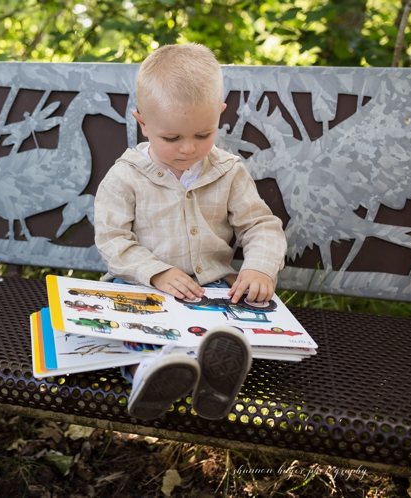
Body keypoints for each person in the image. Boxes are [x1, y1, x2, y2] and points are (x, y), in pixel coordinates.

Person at [93, 42, 287, 422]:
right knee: (133, 332)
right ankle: (149, 374)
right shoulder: (125, 177)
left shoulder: (228, 171)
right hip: (142, 286)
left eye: (203, 134)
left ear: (219, 114)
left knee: (224, 334)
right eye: (171, 138)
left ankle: (212, 378)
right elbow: (112, 240)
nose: (188, 149)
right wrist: (156, 272)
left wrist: (259, 268)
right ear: (142, 123)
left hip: (210, 290)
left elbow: (260, 225)